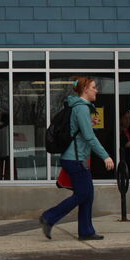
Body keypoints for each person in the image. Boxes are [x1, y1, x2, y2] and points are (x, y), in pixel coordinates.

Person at [40, 76, 115, 241]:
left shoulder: (80, 108)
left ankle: (86, 231)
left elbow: (80, 132)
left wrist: (90, 123)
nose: (96, 90)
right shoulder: (81, 108)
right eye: (94, 87)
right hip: (75, 159)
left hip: (76, 157)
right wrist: (105, 156)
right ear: (85, 89)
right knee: (83, 194)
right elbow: (89, 137)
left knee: (87, 194)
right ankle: (49, 216)